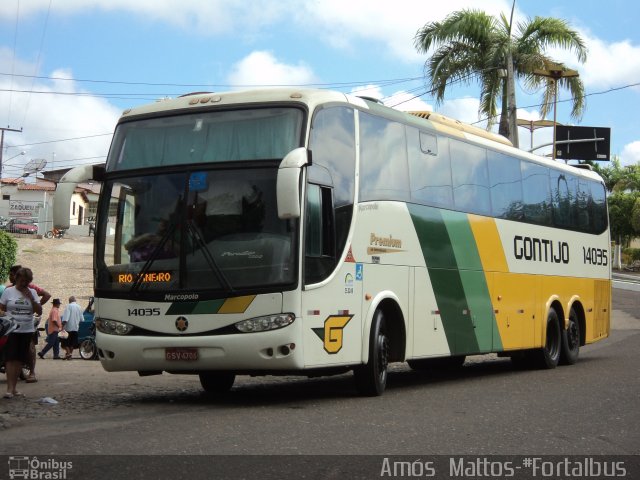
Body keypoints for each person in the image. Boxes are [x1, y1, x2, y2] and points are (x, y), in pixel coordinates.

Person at [0, 267, 42, 398]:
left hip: (26, 329)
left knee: (19, 359)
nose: (24, 284)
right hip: (11, 329)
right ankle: (9, 388)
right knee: (10, 358)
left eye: (27, 281)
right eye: (22, 281)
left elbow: (39, 311)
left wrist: (32, 299)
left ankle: (14, 389)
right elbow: (1, 308)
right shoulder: (8, 291)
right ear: (17, 278)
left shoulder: (33, 292)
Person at [8, 265, 51, 383]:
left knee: (29, 346)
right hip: (12, 324)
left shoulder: (31, 287)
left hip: (28, 321)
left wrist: (34, 307)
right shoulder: (9, 289)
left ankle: (32, 372)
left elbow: (47, 295)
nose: (10, 277)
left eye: (11, 275)